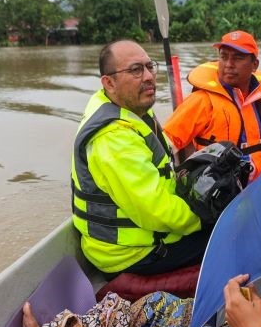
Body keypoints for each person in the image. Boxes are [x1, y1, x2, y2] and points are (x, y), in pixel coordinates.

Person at [71, 40, 209, 277]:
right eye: (135, 70)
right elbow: (155, 211)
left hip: (143, 236)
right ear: (109, 83)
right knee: (227, 235)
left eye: (149, 67)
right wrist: (205, 218)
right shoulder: (114, 138)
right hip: (130, 254)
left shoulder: (131, 107)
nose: (148, 77)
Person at [163, 30, 261, 181]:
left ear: (254, 65)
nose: (229, 64)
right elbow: (166, 143)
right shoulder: (202, 101)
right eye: (224, 57)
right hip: (221, 190)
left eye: (238, 58)